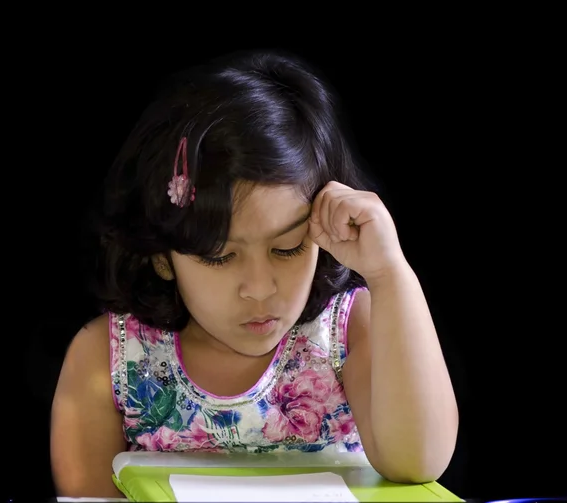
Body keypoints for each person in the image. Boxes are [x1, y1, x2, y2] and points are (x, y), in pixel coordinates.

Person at [50, 49, 459, 498]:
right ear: (162, 255)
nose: (261, 288)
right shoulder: (108, 361)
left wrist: (388, 273)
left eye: (287, 248)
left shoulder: (349, 333)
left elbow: (418, 460)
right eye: (220, 258)